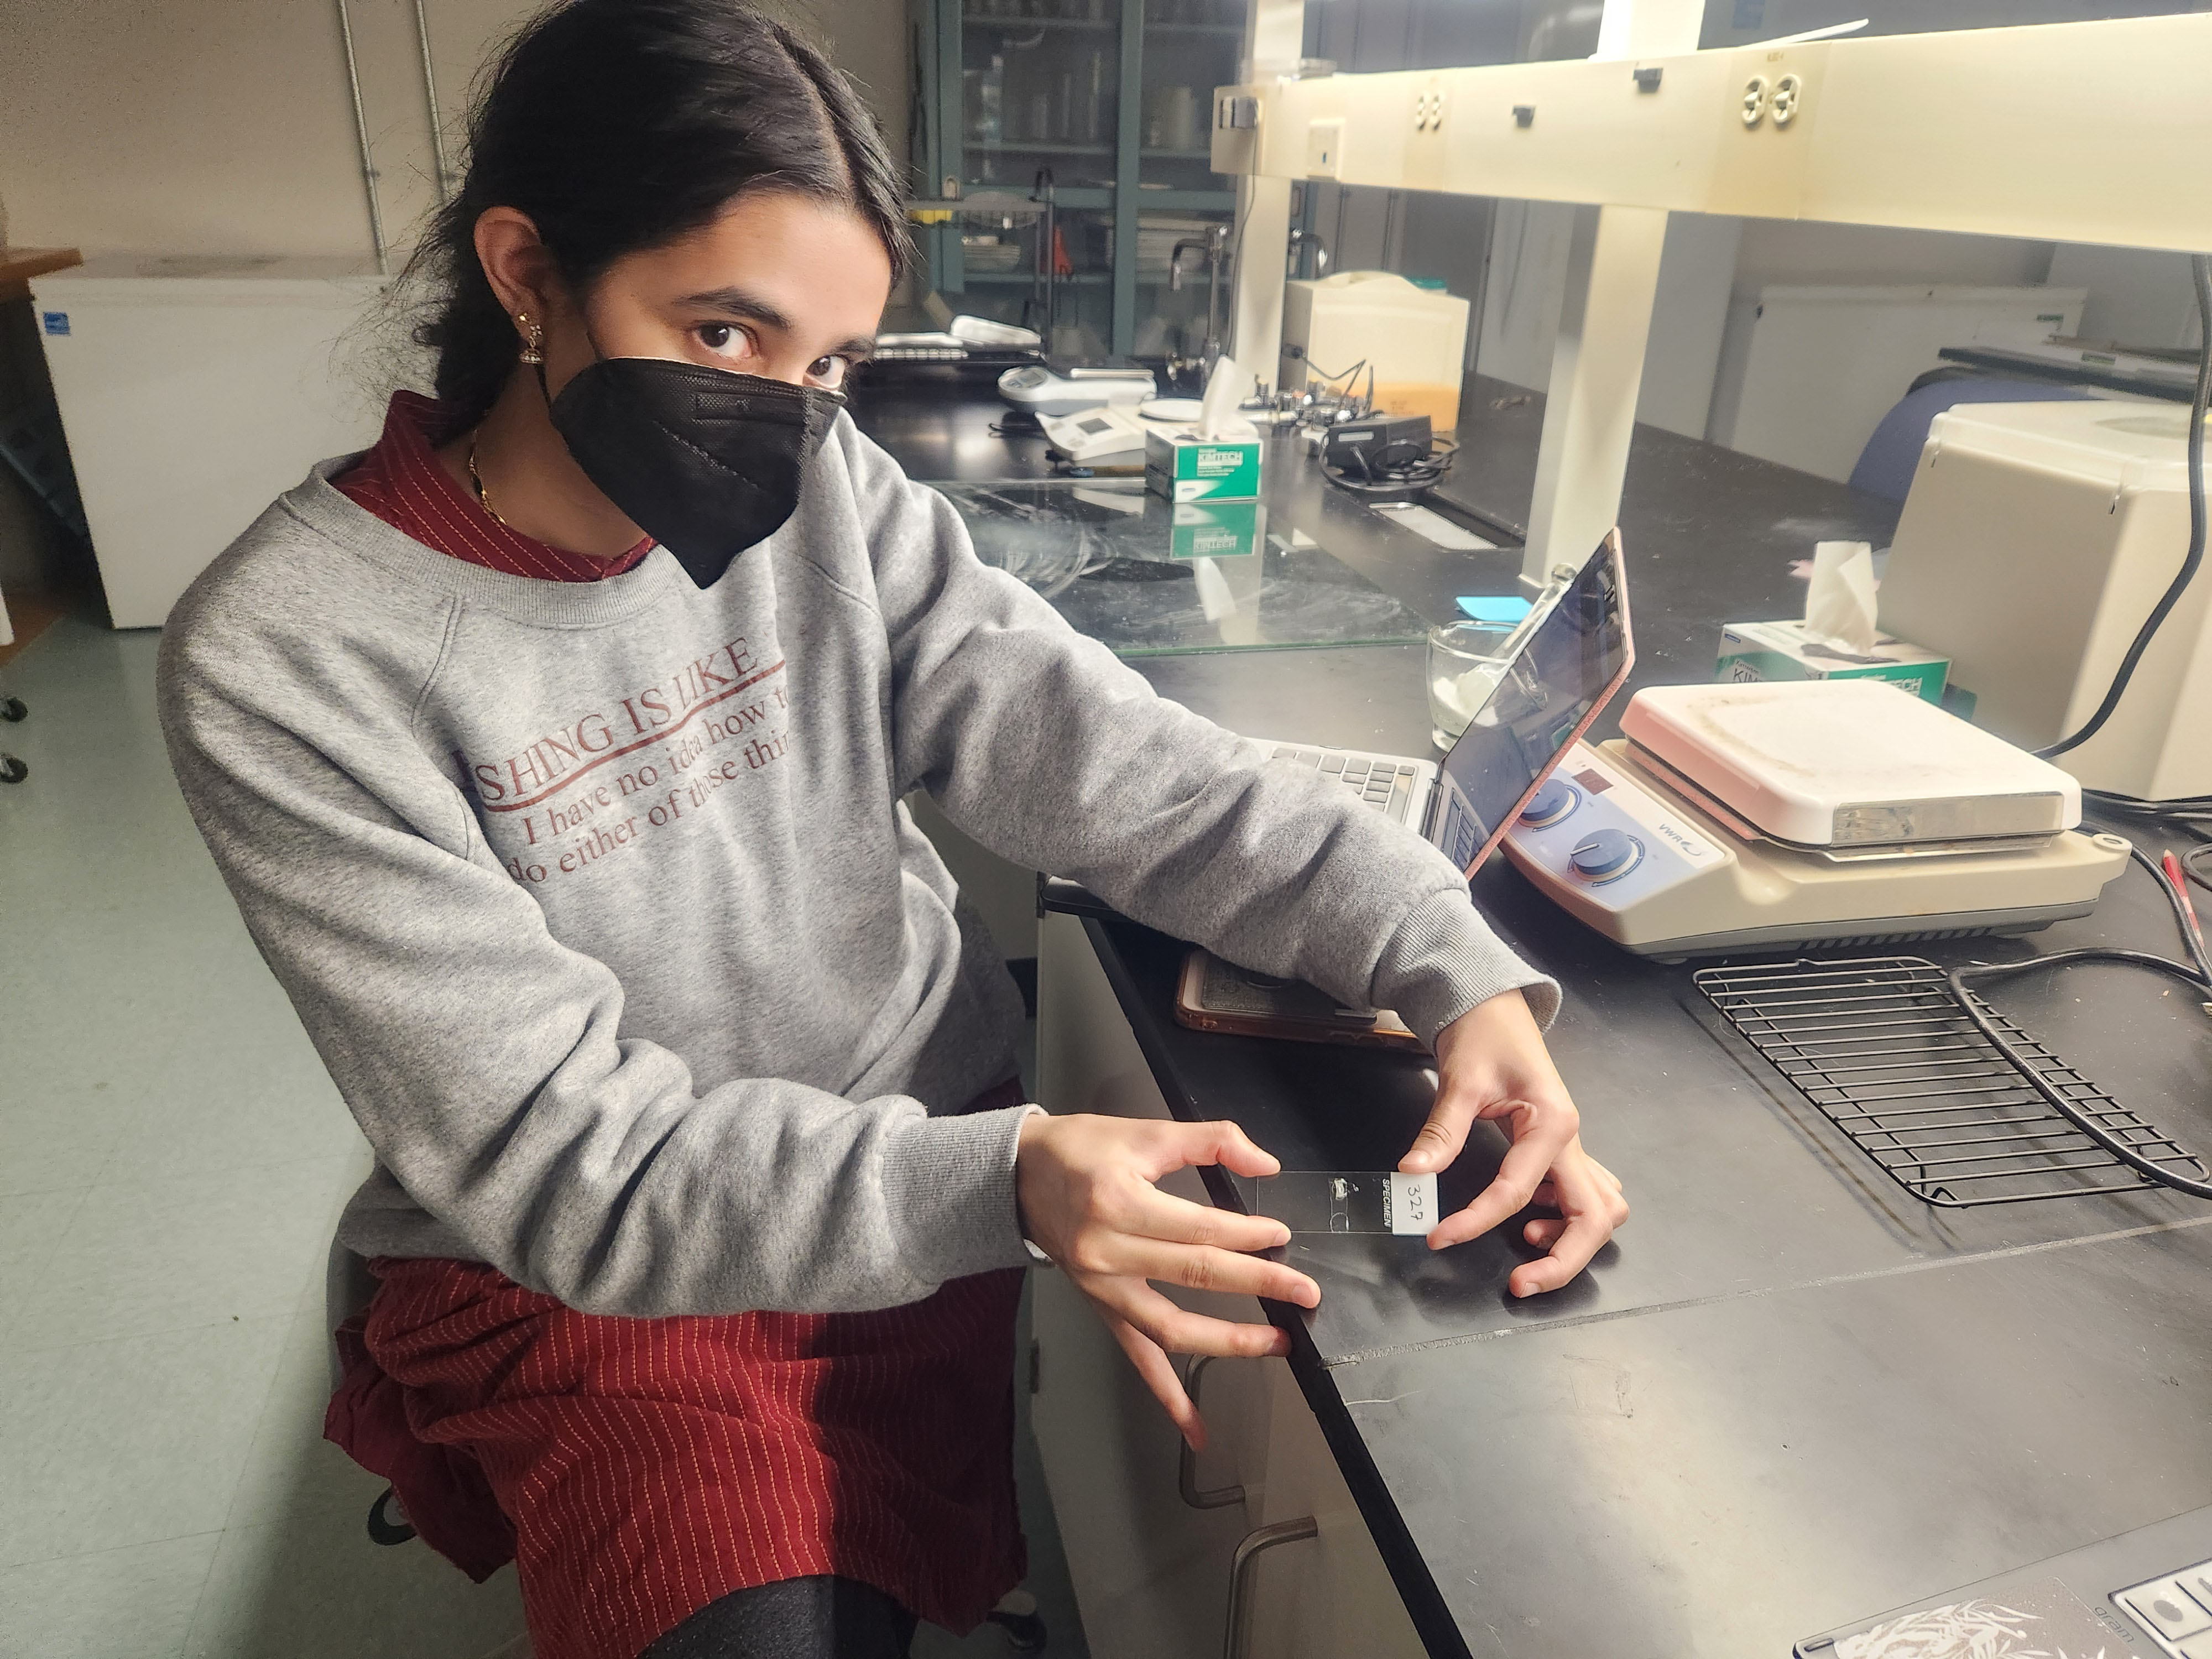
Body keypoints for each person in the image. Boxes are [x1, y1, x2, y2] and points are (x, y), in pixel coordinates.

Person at [155, 3, 1628, 1655]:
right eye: (724, 334)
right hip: (603, 1281)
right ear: (525, 272)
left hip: (924, 1157)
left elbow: (1128, 771)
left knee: (937, 1538)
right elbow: (568, 1163)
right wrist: (998, 1182)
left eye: (830, 362)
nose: (786, 416)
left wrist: (1449, 965)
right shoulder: (294, 655)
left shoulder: (830, 494)